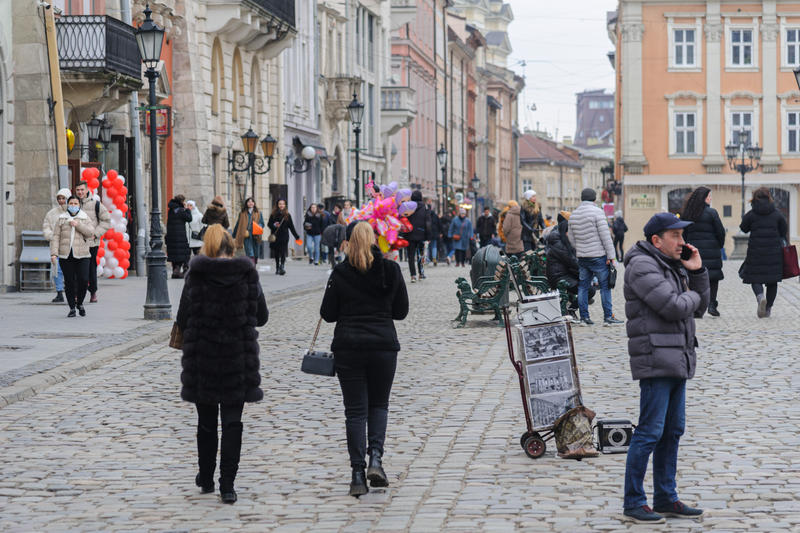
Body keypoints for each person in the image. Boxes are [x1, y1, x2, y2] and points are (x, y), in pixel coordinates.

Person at [622, 212, 708, 524]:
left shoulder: (671, 264)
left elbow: (700, 306)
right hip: (656, 358)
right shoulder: (642, 265)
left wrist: (698, 273)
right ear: (657, 240)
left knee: (672, 431)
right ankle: (633, 501)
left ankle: (665, 498)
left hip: (676, 357)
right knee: (649, 433)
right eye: (675, 236)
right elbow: (673, 307)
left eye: (682, 236)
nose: (682, 242)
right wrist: (692, 295)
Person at [176, 224, 269, 504]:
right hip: (237, 359)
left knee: (206, 422)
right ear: (232, 247)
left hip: (203, 358)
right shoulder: (247, 274)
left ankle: (206, 477)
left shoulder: (196, 275)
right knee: (232, 422)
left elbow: (183, 319)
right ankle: (227, 484)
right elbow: (262, 316)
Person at [320, 221, 409, 497]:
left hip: (349, 348)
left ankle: (357, 474)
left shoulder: (340, 272)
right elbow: (401, 311)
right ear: (373, 240)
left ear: (347, 242)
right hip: (383, 347)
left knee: (355, 411)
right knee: (379, 405)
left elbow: (328, 313)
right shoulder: (390, 270)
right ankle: (376, 459)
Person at [568, 188, 622, 326]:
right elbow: (606, 236)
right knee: (605, 287)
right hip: (598, 256)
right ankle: (608, 317)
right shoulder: (597, 212)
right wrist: (612, 256)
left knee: (583, 287)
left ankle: (584, 318)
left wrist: (580, 249)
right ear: (594, 198)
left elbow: (571, 239)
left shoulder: (573, 215)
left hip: (582, 257)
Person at [739, 187, 789, 318]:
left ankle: (760, 296)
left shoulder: (751, 214)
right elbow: (784, 231)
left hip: (756, 252)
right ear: (769, 197)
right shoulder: (777, 214)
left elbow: (743, 228)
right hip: (774, 253)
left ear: (755, 199)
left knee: (755, 278)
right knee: (772, 281)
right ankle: (768, 308)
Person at [681, 187, 725, 317]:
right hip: (711, 250)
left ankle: (696, 305)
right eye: (709, 196)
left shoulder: (688, 213)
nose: (710, 199)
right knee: (713, 277)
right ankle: (712, 304)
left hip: (694, 251)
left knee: (695, 277)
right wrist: (719, 245)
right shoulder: (712, 213)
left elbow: (684, 233)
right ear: (704, 198)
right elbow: (720, 231)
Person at [50, 196, 95, 317]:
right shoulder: (62, 218)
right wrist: (54, 253)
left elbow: (90, 233)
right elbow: (55, 237)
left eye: (75, 203)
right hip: (66, 255)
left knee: (83, 280)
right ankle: (72, 308)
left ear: (79, 205)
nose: (73, 205)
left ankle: (79, 303)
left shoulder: (85, 217)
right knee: (69, 281)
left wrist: (78, 225)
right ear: (68, 204)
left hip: (83, 254)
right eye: (71, 203)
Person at [544, 212, 594, 316]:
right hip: (558, 277)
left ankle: (573, 307)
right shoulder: (558, 241)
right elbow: (571, 261)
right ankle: (571, 309)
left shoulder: (562, 239)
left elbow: (573, 259)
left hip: (563, 273)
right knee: (589, 290)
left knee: (588, 285)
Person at [75, 180, 111, 303]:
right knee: (76, 268)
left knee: (91, 268)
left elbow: (106, 221)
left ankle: (93, 291)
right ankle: (76, 292)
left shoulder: (96, 204)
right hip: (76, 242)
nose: (80, 192)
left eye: (82, 190)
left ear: (87, 190)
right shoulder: (73, 203)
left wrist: (96, 234)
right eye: (78, 190)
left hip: (91, 242)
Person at [43, 188, 72, 303]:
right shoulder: (51, 213)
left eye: (63, 198)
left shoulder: (73, 212)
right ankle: (59, 292)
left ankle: (72, 291)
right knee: (57, 269)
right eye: (59, 198)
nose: (61, 200)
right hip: (56, 246)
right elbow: (46, 227)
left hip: (69, 246)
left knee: (70, 270)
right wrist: (53, 237)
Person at [267, 199, 301, 275]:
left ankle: (282, 267)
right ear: (277, 205)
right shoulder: (273, 214)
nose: (281, 205)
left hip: (284, 236)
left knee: (283, 252)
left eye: (283, 204)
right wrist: (274, 225)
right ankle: (277, 267)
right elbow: (269, 224)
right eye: (280, 204)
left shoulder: (287, 215)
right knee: (276, 252)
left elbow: (291, 227)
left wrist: (296, 236)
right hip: (275, 236)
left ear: (285, 205)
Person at [166, 195, 193, 278]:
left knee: (175, 254)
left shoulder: (171, 210)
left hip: (171, 236)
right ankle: (178, 270)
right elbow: (189, 218)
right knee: (183, 253)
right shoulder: (181, 210)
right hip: (180, 236)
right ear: (181, 201)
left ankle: (175, 270)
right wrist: (188, 209)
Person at [405, 190, 430, 282]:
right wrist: (428, 236)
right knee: (421, 255)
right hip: (421, 234)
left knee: (411, 256)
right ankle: (421, 273)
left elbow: (404, 220)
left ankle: (413, 275)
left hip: (410, 234)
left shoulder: (407, 207)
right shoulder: (425, 207)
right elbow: (428, 223)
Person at [233, 198, 266, 265]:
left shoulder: (259, 213)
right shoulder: (242, 213)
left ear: (254, 203)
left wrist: (258, 226)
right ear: (246, 203)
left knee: (256, 253)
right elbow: (238, 224)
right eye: (249, 202)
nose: (250, 203)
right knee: (249, 252)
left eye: (252, 202)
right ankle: (251, 265)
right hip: (246, 234)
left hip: (256, 235)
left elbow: (262, 223)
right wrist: (234, 234)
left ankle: (254, 263)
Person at [425, 201, 441, 265]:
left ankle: (427, 259)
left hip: (427, 233)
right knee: (434, 246)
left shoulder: (425, 214)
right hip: (434, 233)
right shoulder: (435, 215)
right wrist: (440, 232)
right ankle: (434, 257)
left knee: (428, 247)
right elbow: (439, 224)